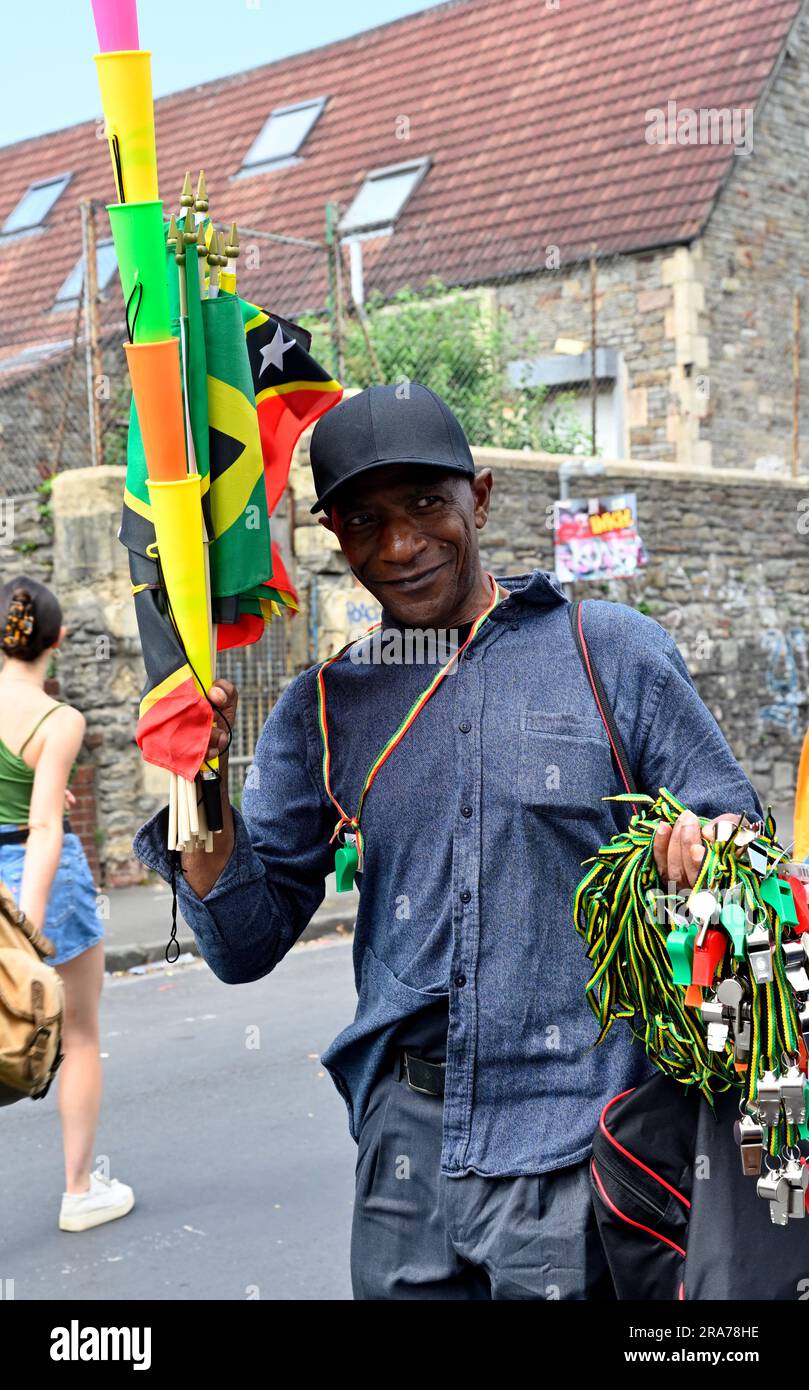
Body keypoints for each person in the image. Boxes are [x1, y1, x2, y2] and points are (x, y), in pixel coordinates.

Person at [133, 383, 762, 1299]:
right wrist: (199, 785)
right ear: (335, 536)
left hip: (582, 1135)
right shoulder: (325, 706)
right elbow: (241, 943)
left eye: (427, 504)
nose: (399, 545)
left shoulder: (609, 651)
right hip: (406, 1148)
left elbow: (735, 834)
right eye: (363, 521)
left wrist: (706, 848)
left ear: (482, 496)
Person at [0, 576, 134, 1232]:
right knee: (78, 1035)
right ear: (58, 638)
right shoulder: (59, 720)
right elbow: (46, 829)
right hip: (36, 877)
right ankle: (79, 1193)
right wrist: (24, 921)